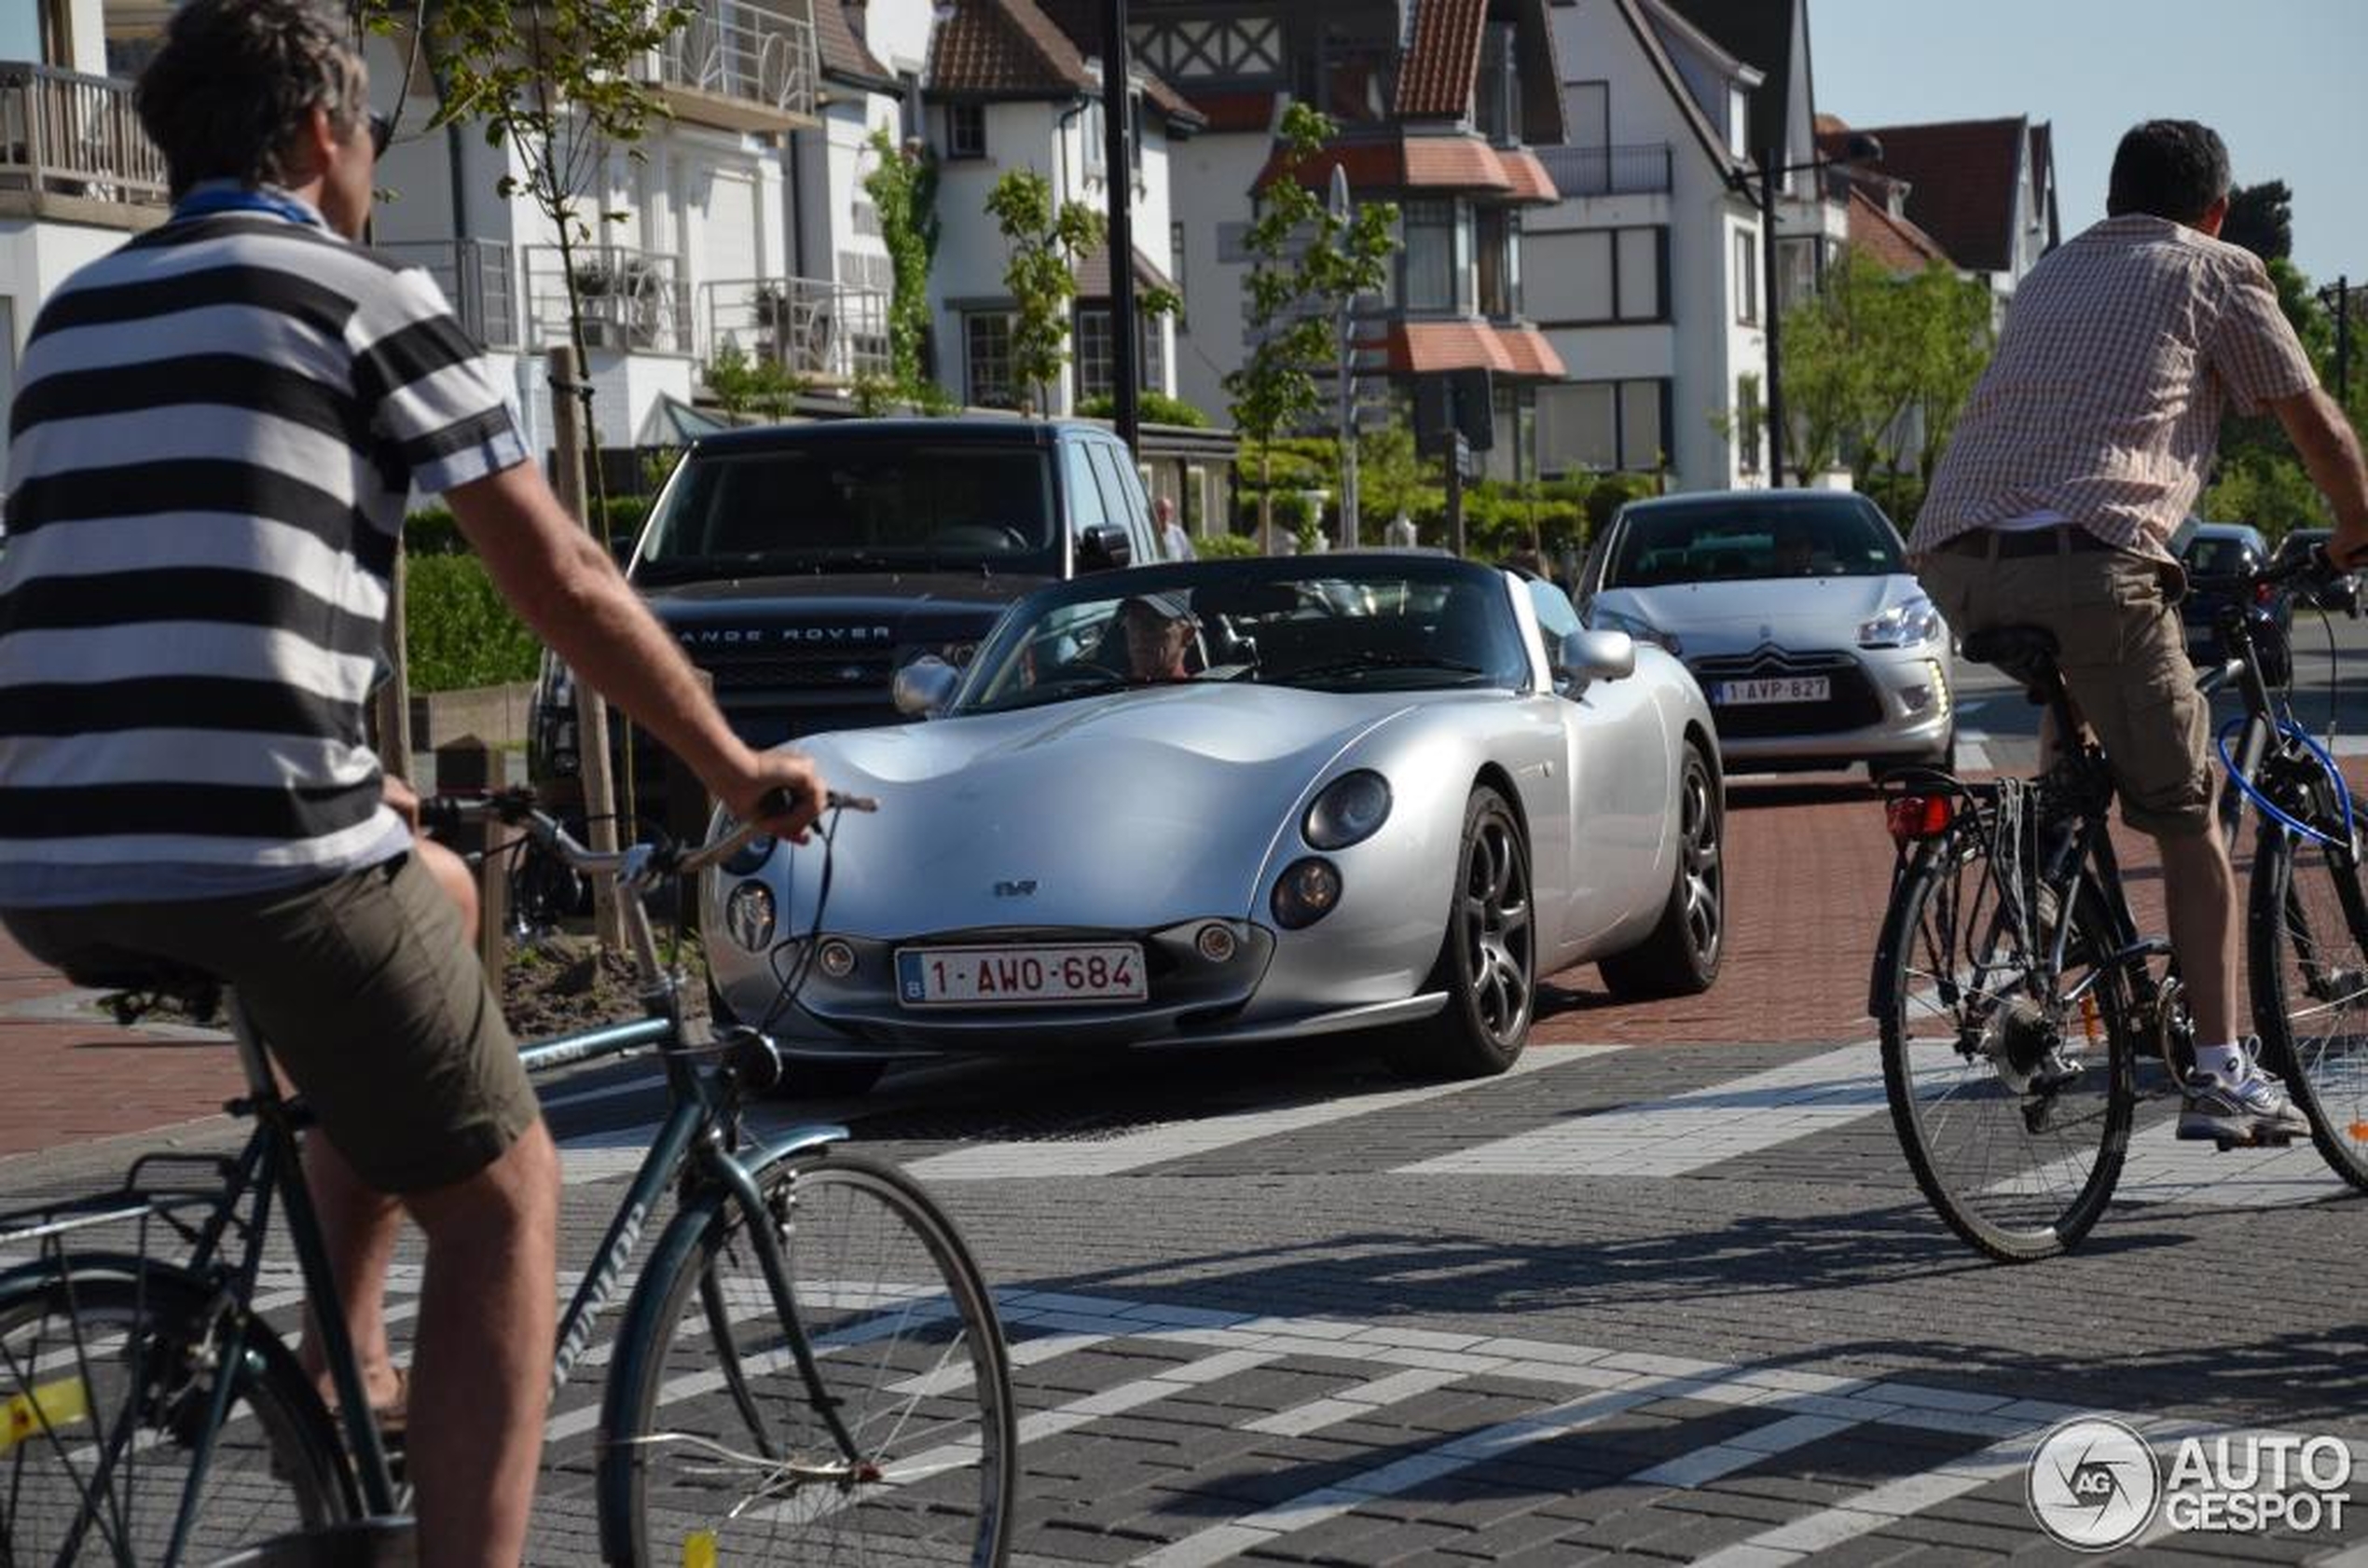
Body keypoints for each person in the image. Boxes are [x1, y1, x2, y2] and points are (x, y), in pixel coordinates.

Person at [0, 5, 827, 1563]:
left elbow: (168, 569)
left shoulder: (76, 315)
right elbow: (564, 574)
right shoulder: (363, 297)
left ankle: (337, 1345)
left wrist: (349, 765)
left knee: (437, 892)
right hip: (257, 848)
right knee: (509, 1201)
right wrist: (732, 762)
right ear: (318, 133)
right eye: (371, 131)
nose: (375, 159)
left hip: (49, 852)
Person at [1912, 118, 2368, 1148]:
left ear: (2111, 200)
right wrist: (2355, 526)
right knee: (2187, 810)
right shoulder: (2216, 267)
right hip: (2094, 554)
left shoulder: (2050, 273)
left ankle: (2042, 926)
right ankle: (2218, 1072)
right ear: (2212, 210)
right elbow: (2313, 421)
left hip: (1951, 558)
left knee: (2070, 740)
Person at [1114, 591, 1198, 681]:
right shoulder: (1107, 692)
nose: (1140, 636)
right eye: (1133, 623)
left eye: (1151, 624)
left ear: (1188, 635)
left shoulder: (1207, 693)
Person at [1155, 494, 1195, 561]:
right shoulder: (1150, 533)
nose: (1165, 515)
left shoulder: (1178, 533)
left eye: (1168, 511)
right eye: (1162, 512)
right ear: (1155, 513)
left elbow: (1190, 557)